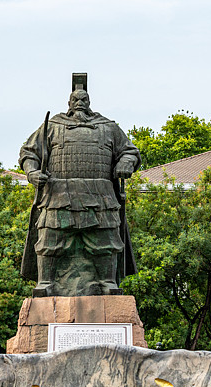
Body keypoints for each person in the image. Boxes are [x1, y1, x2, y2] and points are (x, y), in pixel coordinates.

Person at [19, 88, 140, 297]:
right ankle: (45, 282)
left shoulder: (107, 127)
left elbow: (129, 151)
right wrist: (32, 172)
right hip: (58, 195)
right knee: (49, 239)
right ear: (69, 102)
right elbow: (29, 152)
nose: (79, 103)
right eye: (75, 99)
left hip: (99, 195)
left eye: (84, 99)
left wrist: (126, 164)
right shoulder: (53, 126)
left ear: (90, 102)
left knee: (106, 241)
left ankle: (107, 282)